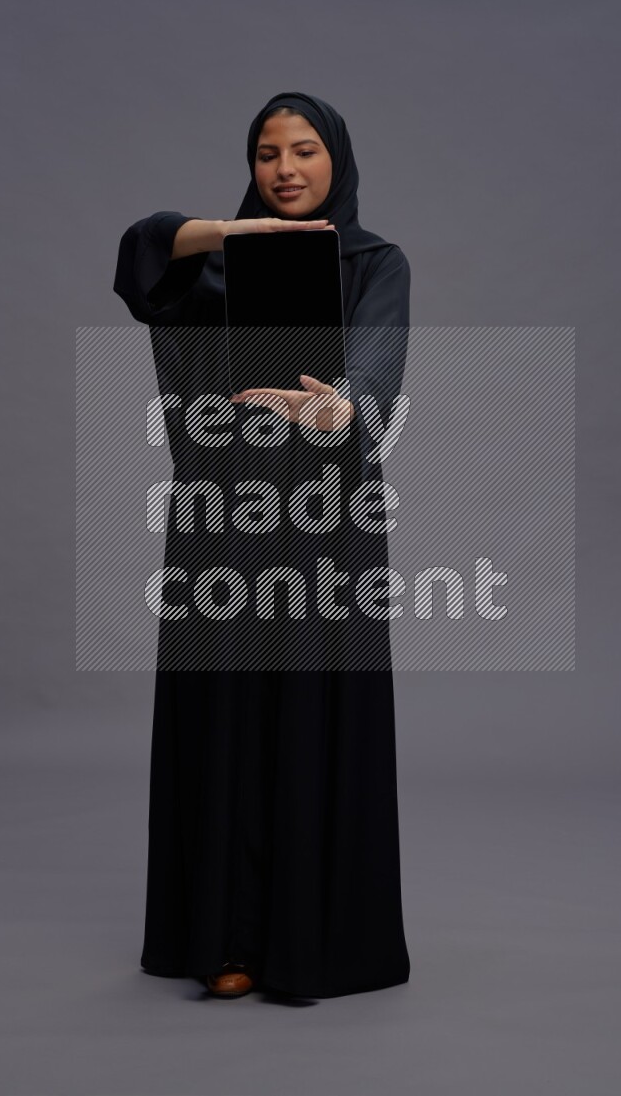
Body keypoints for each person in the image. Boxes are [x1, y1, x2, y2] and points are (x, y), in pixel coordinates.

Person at [113, 91, 411, 999]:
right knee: (228, 709)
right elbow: (141, 258)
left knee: (311, 706)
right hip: (225, 517)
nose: (285, 169)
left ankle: (304, 942)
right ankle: (229, 940)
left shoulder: (373, 263)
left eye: (305, 149)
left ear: (338, 159)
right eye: (268, 152)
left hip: (324, 520)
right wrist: (231, 235)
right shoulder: (211, 265)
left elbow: (377, 359)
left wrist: (338, 404)